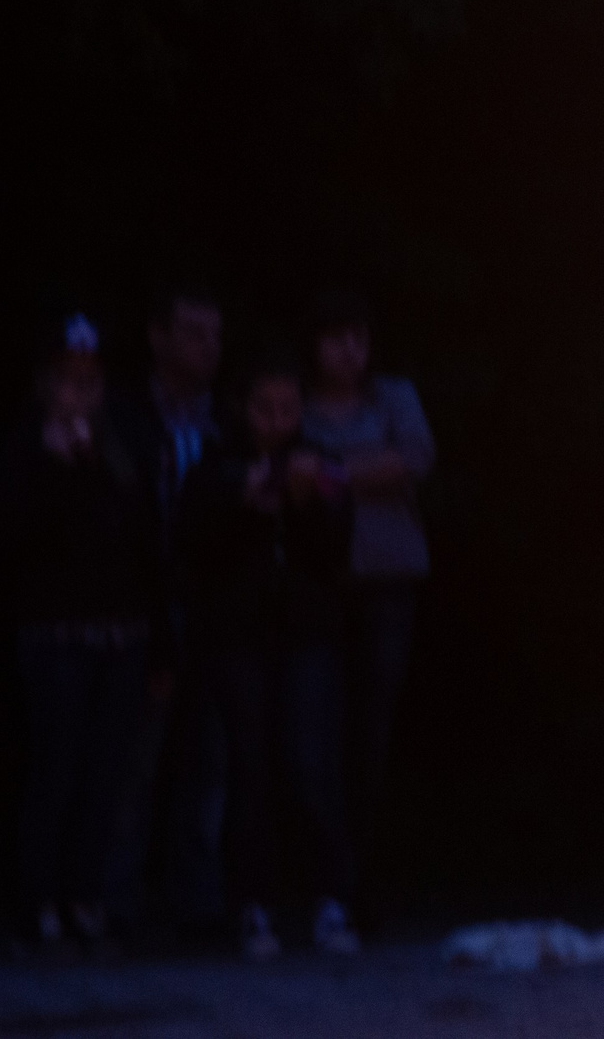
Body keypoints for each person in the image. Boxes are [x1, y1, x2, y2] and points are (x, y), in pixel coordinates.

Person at [0, 314, 166, 955]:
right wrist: (53, 468)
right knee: (55, 767)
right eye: (68, 382)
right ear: (45, 386)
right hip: (53, 637)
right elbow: (14, 542)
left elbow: (148, 546)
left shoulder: (124, 451)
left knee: (105, 773)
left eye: (90, 382)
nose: (80, 395)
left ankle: (85, 898)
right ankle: (40, 900)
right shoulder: (23, 451)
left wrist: (159, 642)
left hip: (122, 636)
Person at [180, 354, 359, 961]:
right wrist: (242, 504)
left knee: (311, 765)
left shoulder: (323, 465)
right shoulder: (214, 467)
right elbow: (193, 546)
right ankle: (252, 908)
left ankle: (330, 901)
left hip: (307, 635)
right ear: (242, 409)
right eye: (265, 408)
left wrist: (306, 504)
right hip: (239, 637)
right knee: (248, 769)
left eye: (288, 408)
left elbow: (337, 553)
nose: (278, 420)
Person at [299, 289, 436, 919]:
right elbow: (277, 465)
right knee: (314, 730)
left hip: (388, 578)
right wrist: (365, 467)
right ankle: (320, 878)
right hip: (314, 580)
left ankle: (363, 881)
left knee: (372, 733)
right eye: (337, 338)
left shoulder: (394, 396)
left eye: (360, 338)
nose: (351, 351)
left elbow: (414, 459)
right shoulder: (293, 402)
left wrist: (325, 472)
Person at [104, 281, 229, 937]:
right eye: (192, 332)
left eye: (214, 333)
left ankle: (196, 902)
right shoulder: (124, 416)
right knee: (136, 758)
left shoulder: (228, 422)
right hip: (143, 605)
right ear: (158, 335)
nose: (207, 346)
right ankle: (116, 900)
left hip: (213, 610)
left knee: (208, 761)